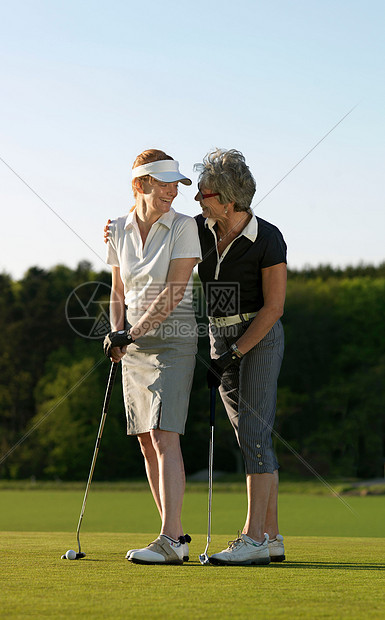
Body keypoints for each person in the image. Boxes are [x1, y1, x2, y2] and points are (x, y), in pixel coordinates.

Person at [103, 149, 201, 565]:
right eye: (163, 185)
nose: (172, 193)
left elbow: (174, 291)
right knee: (145, 438)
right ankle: (172, 536)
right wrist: (115, 331)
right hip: (134, 344)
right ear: (139, 185)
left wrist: (131, 332)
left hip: (174, 337)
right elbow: (118, 289)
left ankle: (170, 538)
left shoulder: (183, 227)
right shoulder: (118, 228)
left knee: (164, 433)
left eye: (175, 185)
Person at [194, 148, 287, 566]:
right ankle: (271, 536)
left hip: (260, 337)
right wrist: (115, 229)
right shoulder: (197, 229)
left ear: (228, 201)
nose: (197, 199)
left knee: (254, 431)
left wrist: (233, 352)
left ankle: (252, 539)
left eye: (204, 193)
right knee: (251, 436)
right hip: (220, 336)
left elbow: (273, 308)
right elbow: (153, 232)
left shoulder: (267, 237)